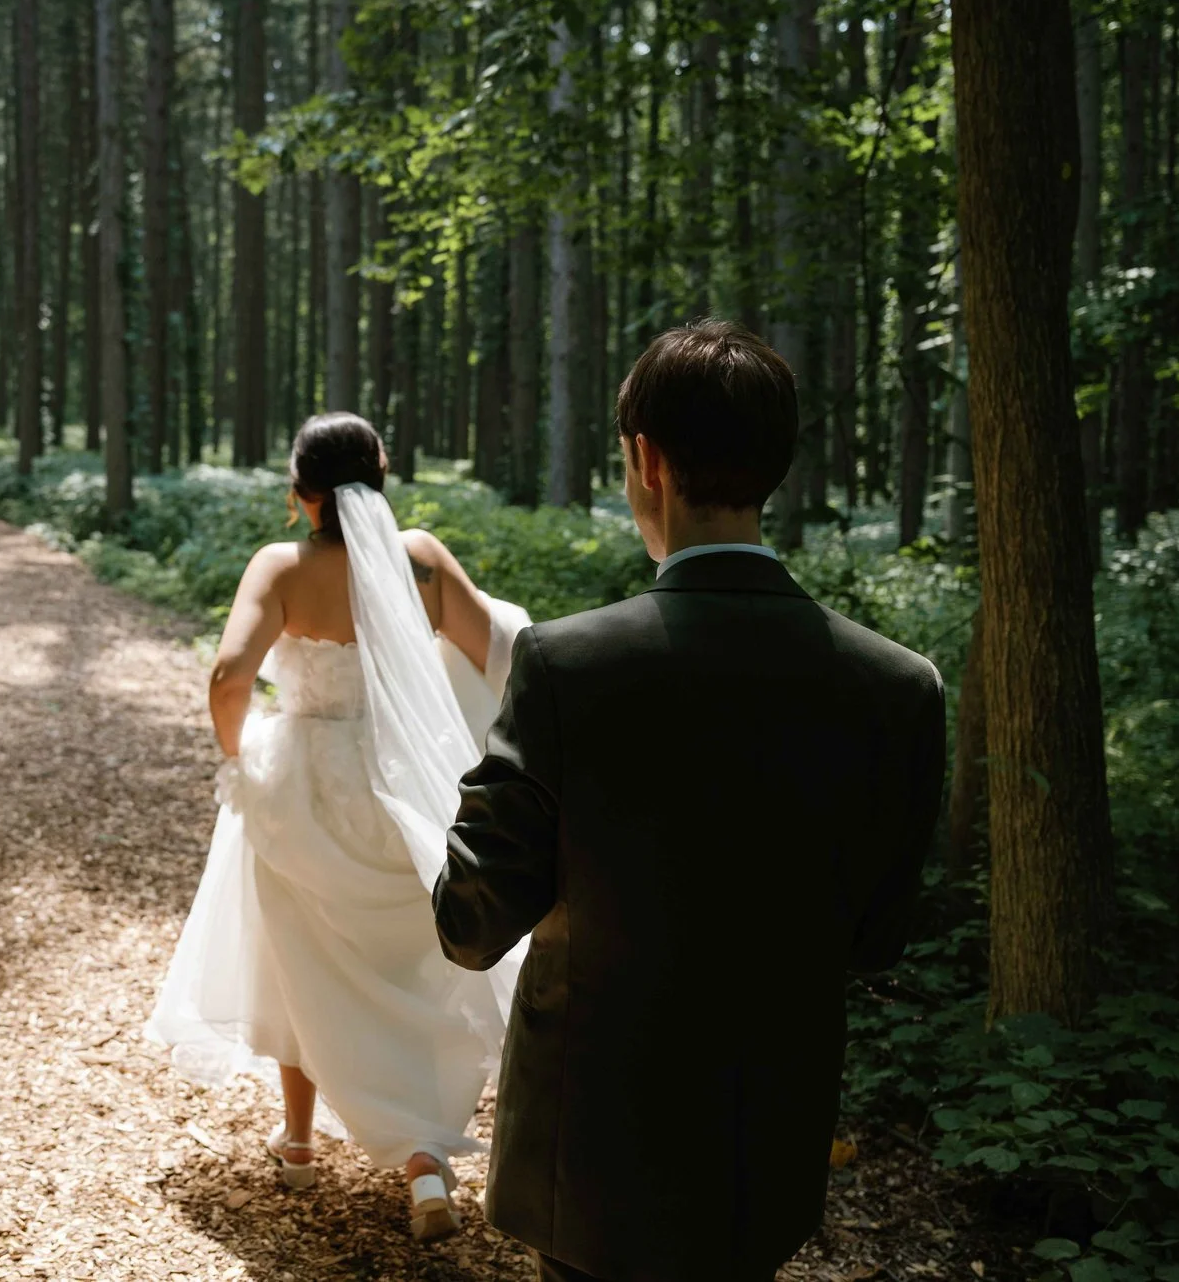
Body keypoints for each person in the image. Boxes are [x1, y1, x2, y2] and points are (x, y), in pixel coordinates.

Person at [434, 320, 946, 1282]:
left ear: (646, 460)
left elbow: (471, 921)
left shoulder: (568, 664)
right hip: (767, 1147)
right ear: (775, 466)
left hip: (594, 1157)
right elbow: (877, 938)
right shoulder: (899, 686)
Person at [147, 413, 533, 1242]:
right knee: (414, 965)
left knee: (297, 952)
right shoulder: (421, 561)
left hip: (306, 790)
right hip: (407, 791)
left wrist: (240, 758)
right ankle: (426, 1161)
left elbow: (227, 676)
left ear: (300, 493)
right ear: (382, 476)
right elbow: (503, 660)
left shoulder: (281, 566)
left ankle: (295, 1142)